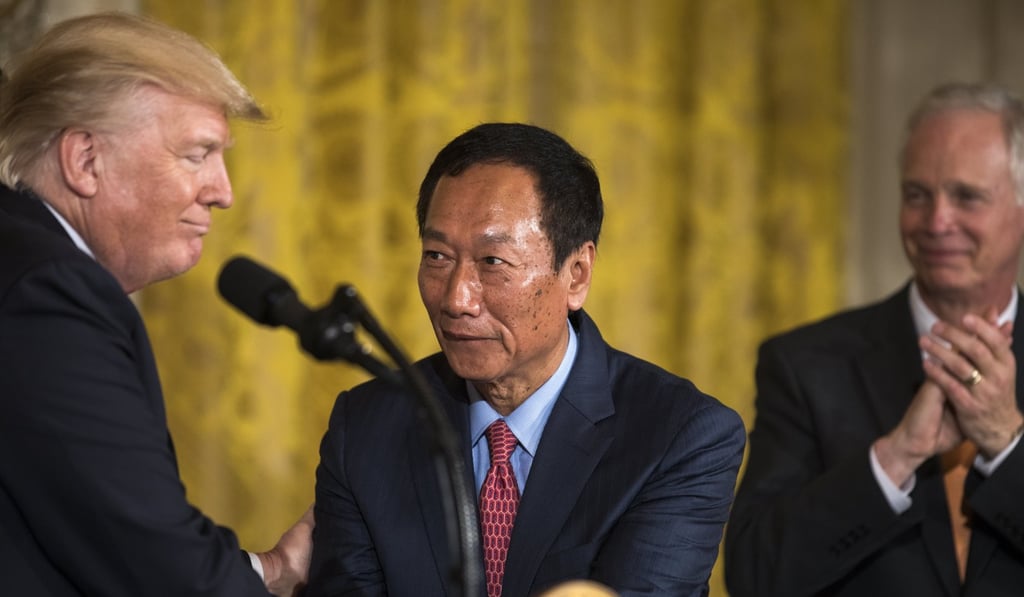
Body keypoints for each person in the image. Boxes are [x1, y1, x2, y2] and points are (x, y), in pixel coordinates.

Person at [306, 122, 746, 597]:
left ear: (576, 274)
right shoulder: (367, 427)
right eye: (436, 256)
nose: (456, 299)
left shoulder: (679, 437)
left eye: (493, 262)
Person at [0, 12, 312, 596]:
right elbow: (155, 566)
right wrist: (274, 573)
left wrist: (270, 568)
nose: (223, 192)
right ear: (85, 160)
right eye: (197, 154)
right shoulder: (48, 292)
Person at [725, 82, 1024, 597]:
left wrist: (1006, 444)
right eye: (917, 195)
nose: (937, 221)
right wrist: (894, 459)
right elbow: (754, 576)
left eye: (967, 197)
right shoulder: (806, 366)